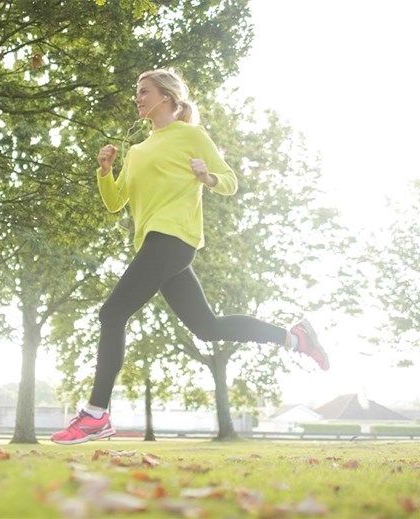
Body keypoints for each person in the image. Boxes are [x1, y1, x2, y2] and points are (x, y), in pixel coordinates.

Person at [50, 68, 329, 445]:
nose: (138, 97)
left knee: (112, 313)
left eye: (144, 91)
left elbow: (229, 181)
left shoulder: (191, 136)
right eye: (137, 92)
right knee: (207, 327)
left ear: (166, 96)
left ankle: (96, 414)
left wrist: (206, 177)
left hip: (174, 239)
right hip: (154, 243)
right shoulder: (135, 152)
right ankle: (295, 338)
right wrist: (104, 171)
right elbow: (116, 203)